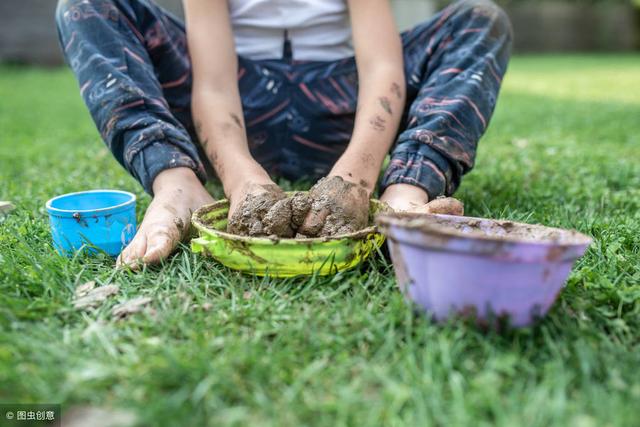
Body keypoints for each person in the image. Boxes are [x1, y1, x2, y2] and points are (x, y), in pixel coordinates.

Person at [55, 0, 512, 268]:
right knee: (88, 4)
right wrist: (240, 180)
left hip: (343, 101)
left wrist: (356, 179)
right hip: (235, 101)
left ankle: (404, 196)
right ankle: (178, 184)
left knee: (479, 18)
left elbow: (382, 65)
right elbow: (213, 83)